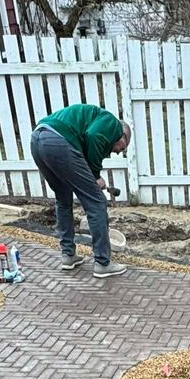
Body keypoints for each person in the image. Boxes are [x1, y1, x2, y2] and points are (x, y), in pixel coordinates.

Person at [30, 103, 131, 278]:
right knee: (97, 202)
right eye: (122, 147)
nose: (117, 152)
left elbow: (85, 142)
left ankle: (68, 255)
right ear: (122, 135)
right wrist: (95, 175)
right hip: (58, 141)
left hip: (38, 139)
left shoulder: (90, 121)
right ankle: (103, 263)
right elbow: (93, 136)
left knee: (63, 198)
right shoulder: (112, 123)